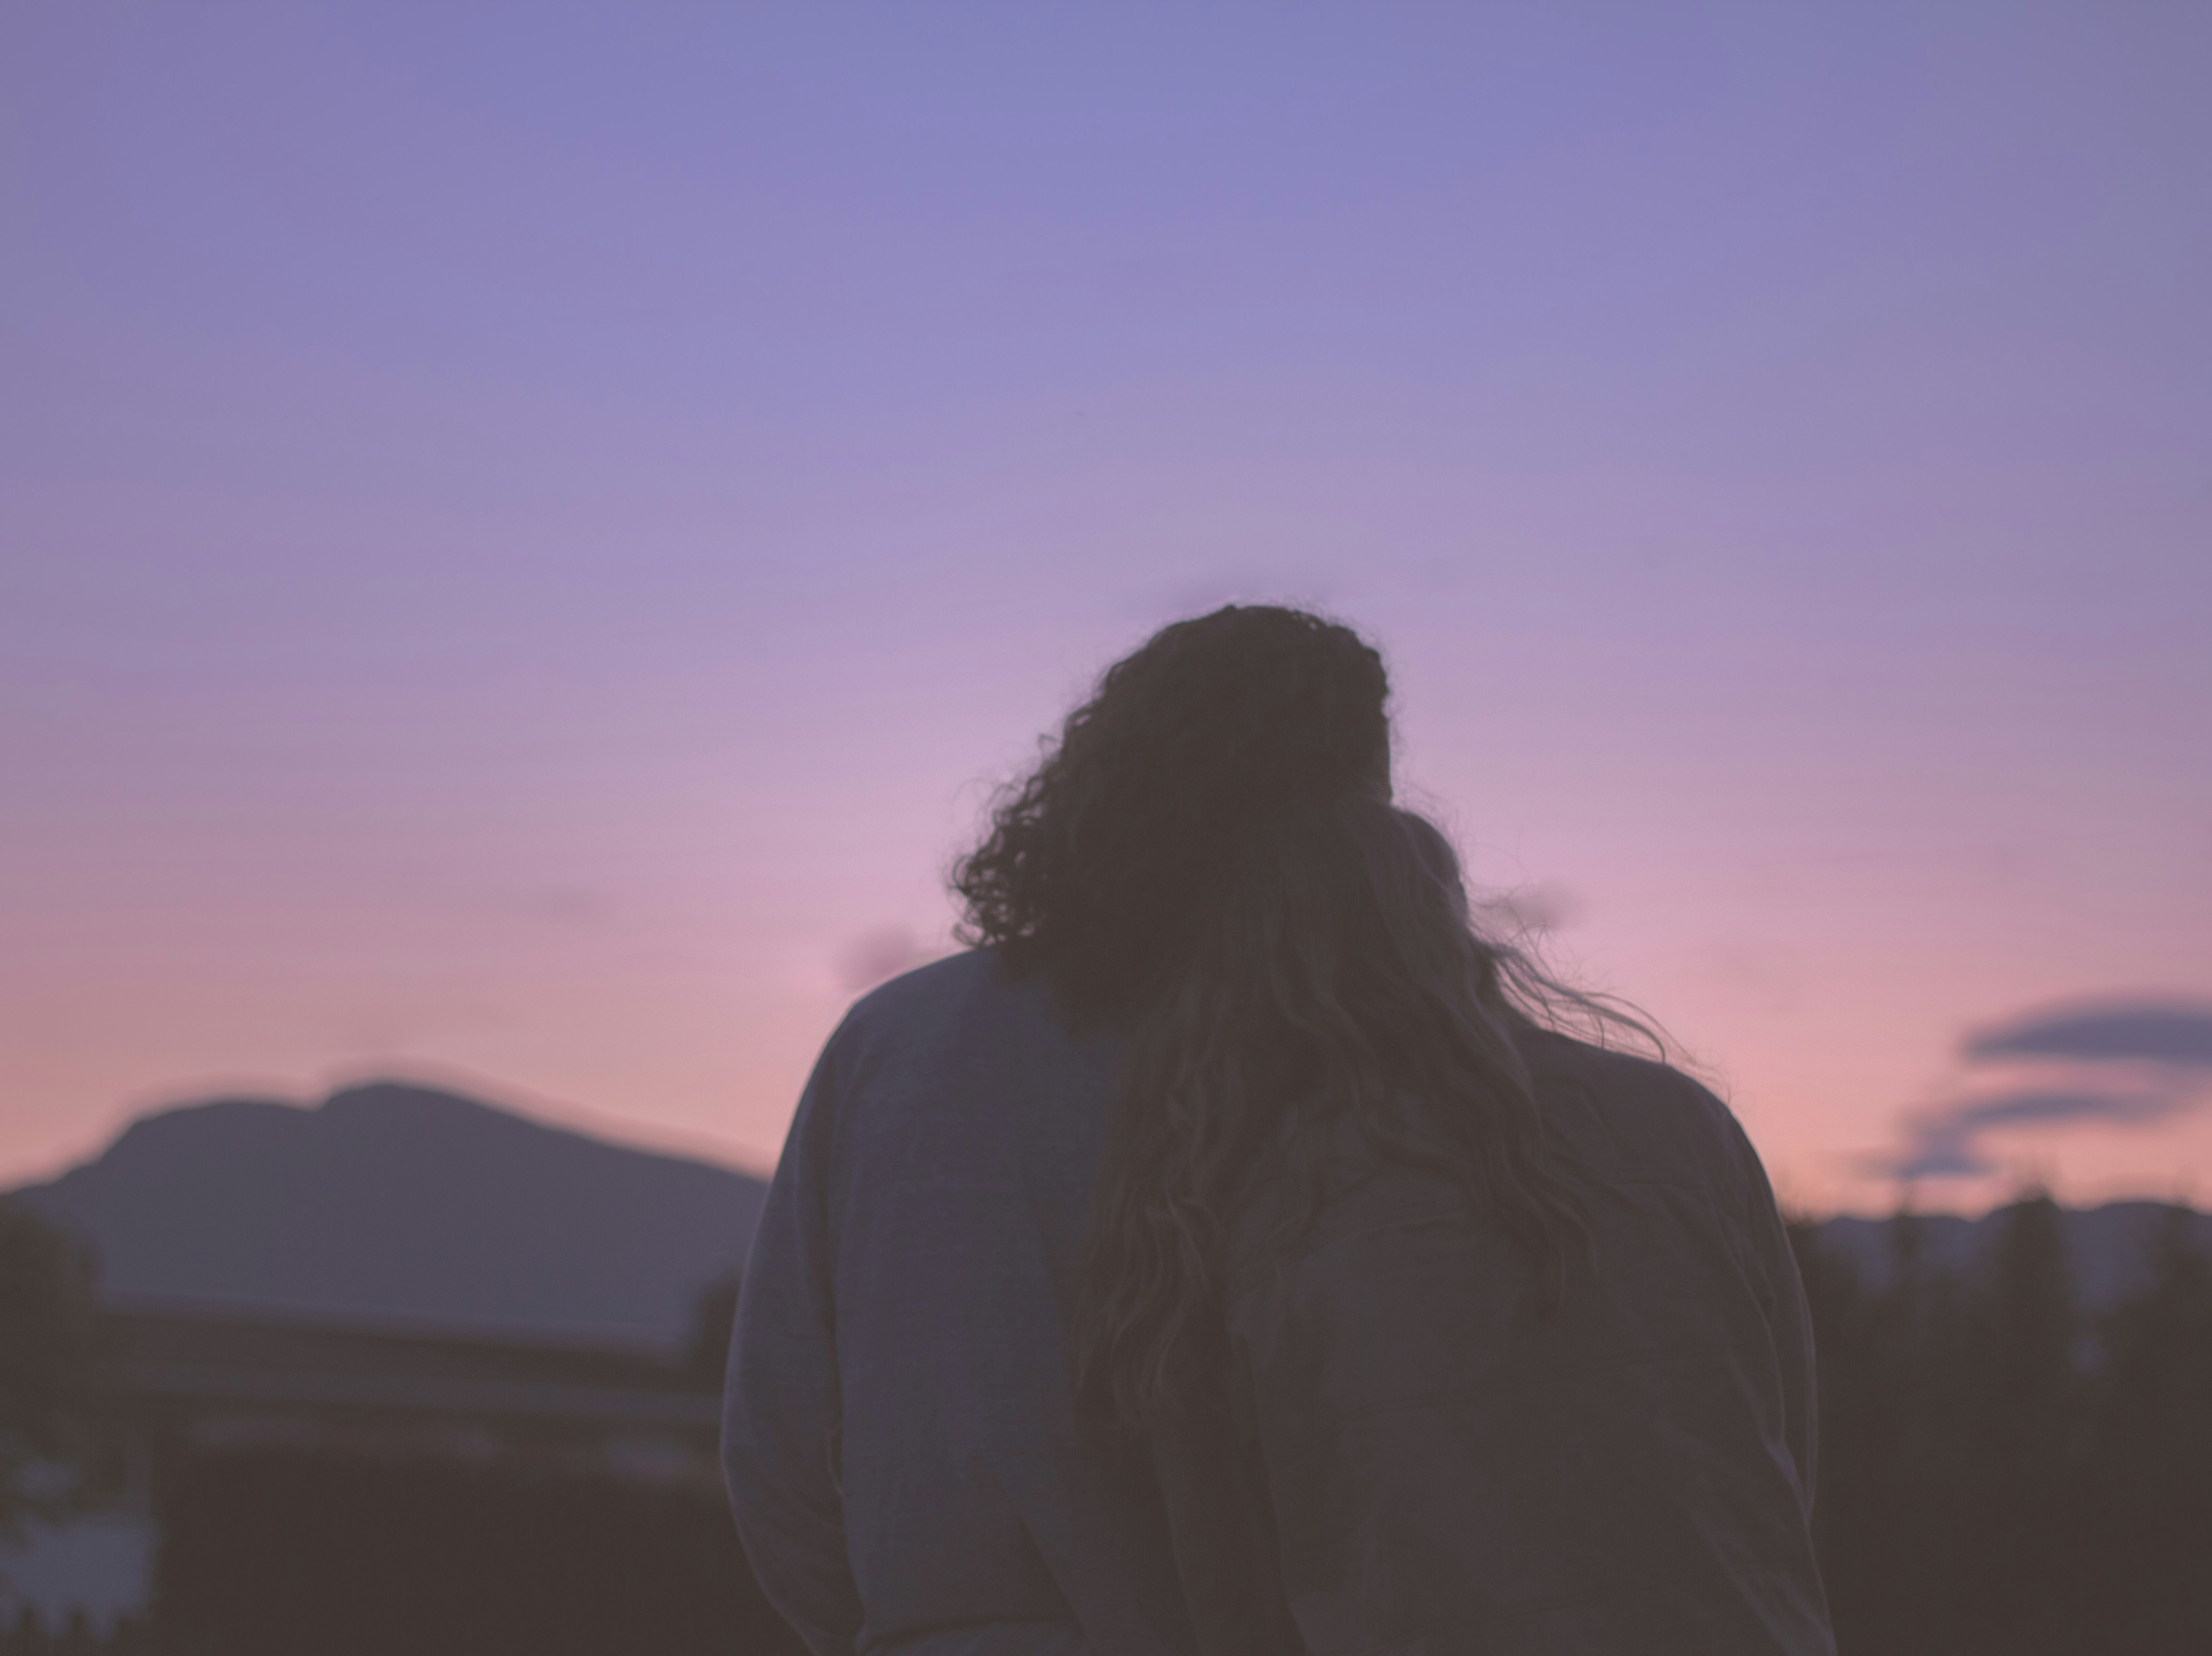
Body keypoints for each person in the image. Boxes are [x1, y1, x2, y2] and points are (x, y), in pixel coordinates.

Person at [723, 605, 1834, 1656]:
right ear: (1357, 815)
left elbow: (775, 1461)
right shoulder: (1362, 1073)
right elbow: (1748, 1442)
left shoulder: (895, 1050)